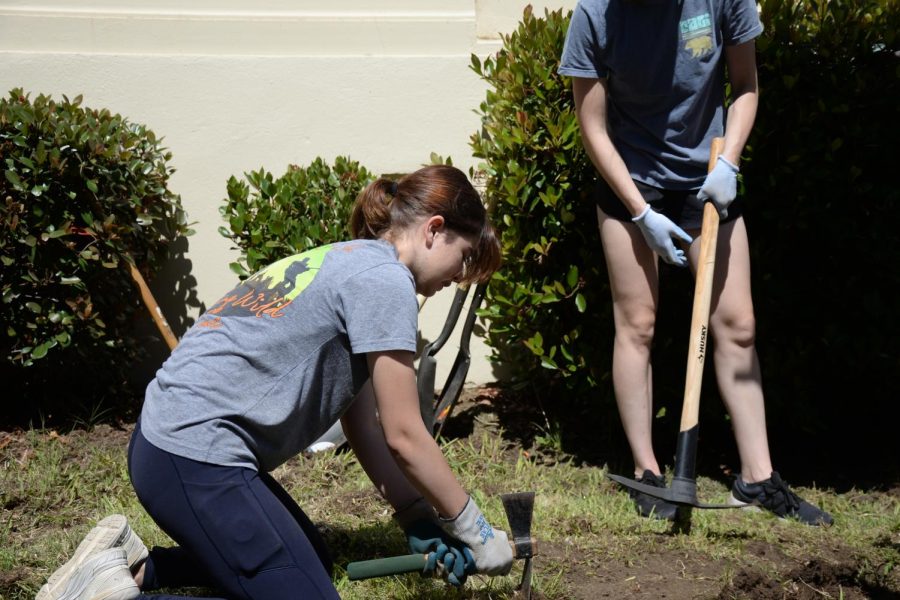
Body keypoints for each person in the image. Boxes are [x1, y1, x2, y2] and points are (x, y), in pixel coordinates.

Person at [38, 164, 513, 600]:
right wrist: (475, 529)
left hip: (170, 443)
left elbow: (364, 427)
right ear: (434, 230)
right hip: (193, 455)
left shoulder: (352, 260)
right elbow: (406, 435)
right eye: (465, 256)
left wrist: (415, 514)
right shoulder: (385, 282)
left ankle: (132, 569)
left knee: (311, 565)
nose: (460, 277)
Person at [558, 0, 832, 526]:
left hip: (710, 177)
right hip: (630, 183)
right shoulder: (595, 14)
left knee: (739, 325)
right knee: (637, 324)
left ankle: (757, 478)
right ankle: (646, 473)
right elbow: (591, 125)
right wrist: (640, 213)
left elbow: (746, 86)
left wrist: (729, 161)